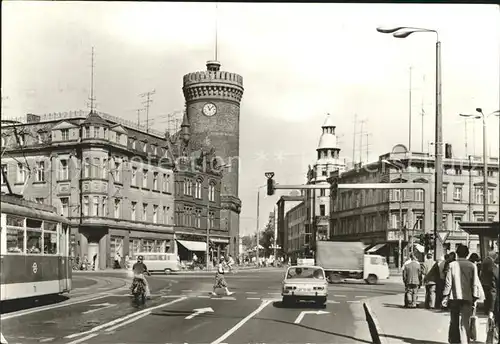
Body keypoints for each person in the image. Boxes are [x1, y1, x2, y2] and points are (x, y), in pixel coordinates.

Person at [442, 245, 483, 344]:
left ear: (457, 253)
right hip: (467, 298)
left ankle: (455, 341)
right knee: (465, 323)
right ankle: (465, 342)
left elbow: (448, 283)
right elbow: (475, 283)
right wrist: (475, 297)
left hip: (454, 298)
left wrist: (445, 296)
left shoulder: (452, 265)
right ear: (467, 253)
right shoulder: (472, 266)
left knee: (454, 321)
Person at [480, 250, 498, 316]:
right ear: (493, 255)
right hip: (489, 281)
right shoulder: (490, 261)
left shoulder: (485, 260)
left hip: (484, 281)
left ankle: (486, 310)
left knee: (486, 297)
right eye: (495, 255)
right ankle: (490, 310)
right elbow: (492, 271)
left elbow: (481, 272)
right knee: (491, 297)